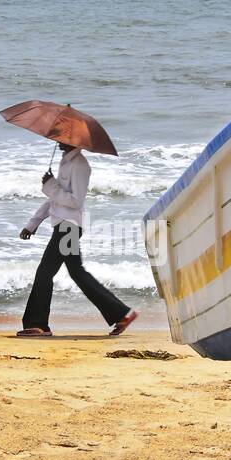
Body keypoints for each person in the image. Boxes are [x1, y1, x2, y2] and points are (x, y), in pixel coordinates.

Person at [17, 143, 138, 337]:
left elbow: (75, 201)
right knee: (75, 273)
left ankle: (38, 324)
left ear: (73, 139)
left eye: (61, 135)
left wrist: (50, 186)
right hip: (63, 226)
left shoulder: (80, 165)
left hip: (69, 227)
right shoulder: (65, 162)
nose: (57, 139)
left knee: (46, 273)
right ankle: (121, 314)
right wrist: (33, 223)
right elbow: (55, 200)